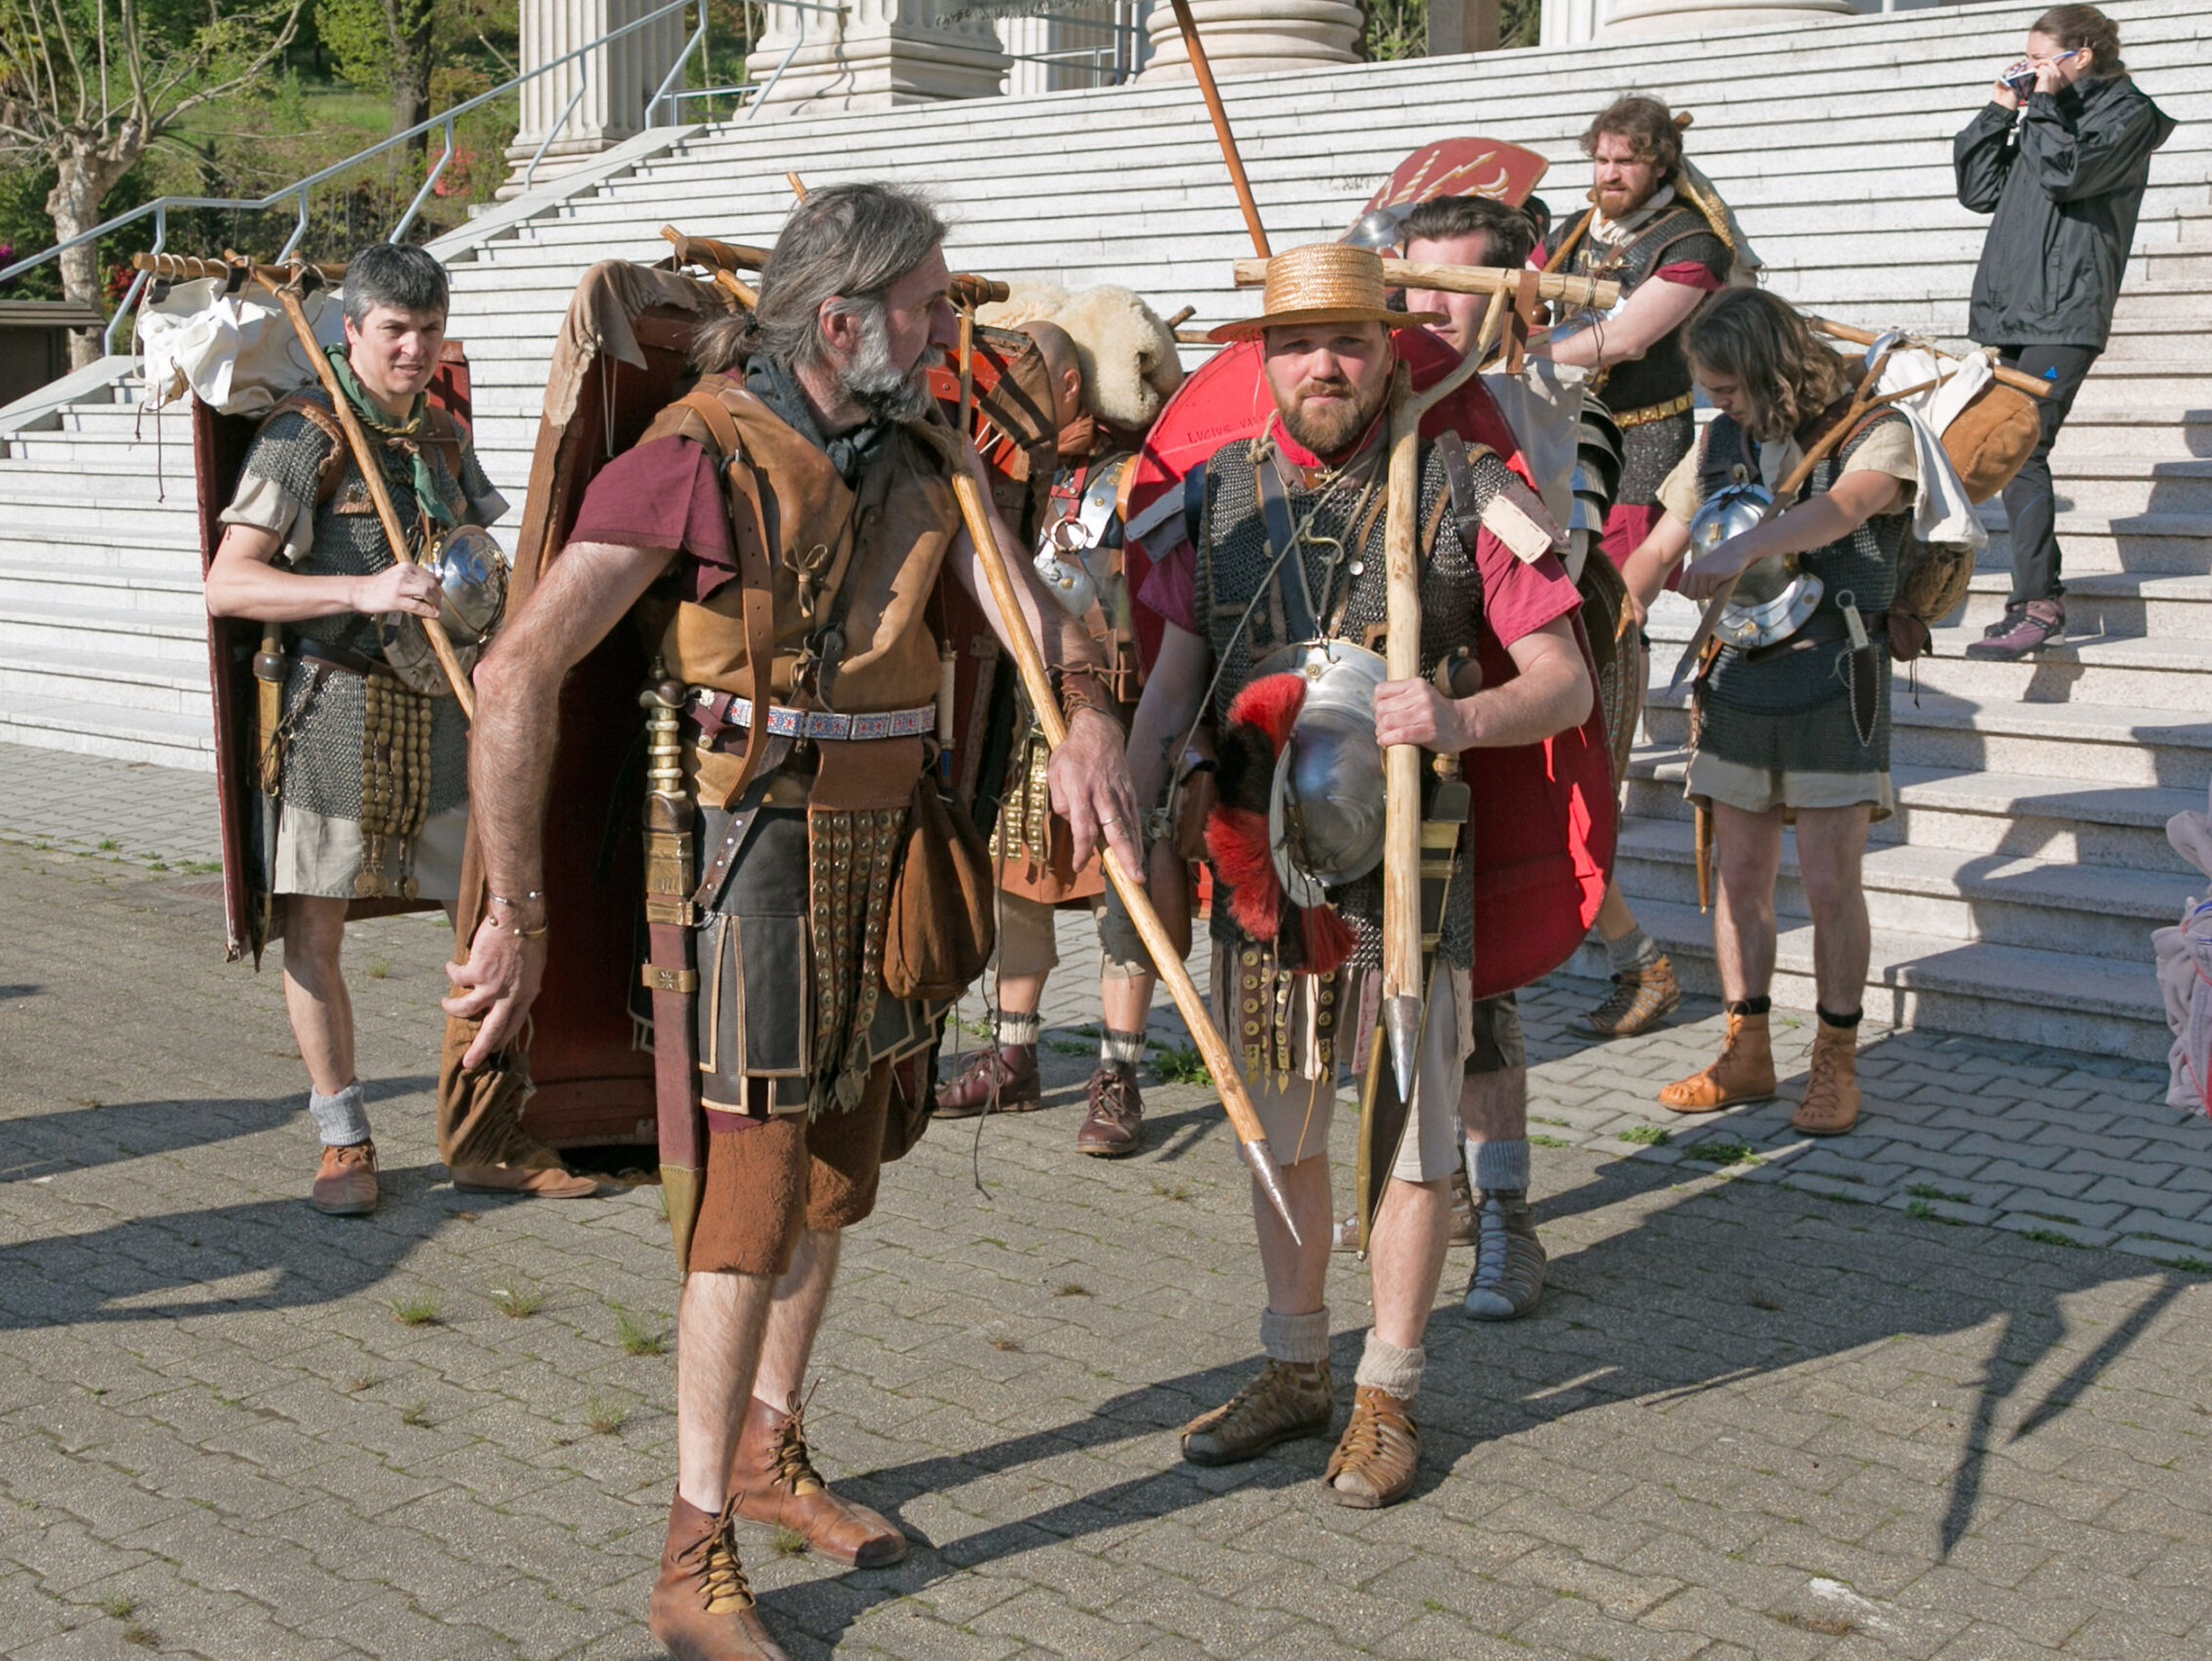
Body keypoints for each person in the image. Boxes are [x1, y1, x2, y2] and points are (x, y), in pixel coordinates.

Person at [445, 184, 1142, 1661]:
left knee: (837, 1171)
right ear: (840, 320)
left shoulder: (932, 461)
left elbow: (1041, 618)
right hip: (746, 852)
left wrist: (1085, 713)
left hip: (892, 850)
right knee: (750, 1197)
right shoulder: (690, 458)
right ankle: (690, 1547)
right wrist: (517, 910)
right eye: (928, 307)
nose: (950, 332)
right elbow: (516, 673)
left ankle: (769, 1448)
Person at [1125, 242, 1592, 1504]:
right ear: (1262, 359)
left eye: (1346, 339)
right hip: (1254, 845)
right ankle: (1294, 1367)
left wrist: (1458, 718)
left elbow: (1564, 681)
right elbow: (1171, 683)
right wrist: (1133, 789)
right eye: (1296, 343)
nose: (1321, 365)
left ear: (1389, 348)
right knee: (1276, 1120)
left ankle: (1388, 1387)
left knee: (1415, 1134)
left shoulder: (1465, 483)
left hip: (1413, 853)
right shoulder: (1215, 499)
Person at [202, 243, 587, 1215]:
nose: (414, 349)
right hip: (335, 707)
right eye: (395, 331)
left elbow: (482, 552)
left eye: (429, 330)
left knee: (496, 908)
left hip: (448, 707)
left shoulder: (442, 436)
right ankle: (343, 1140)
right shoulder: (306, 433)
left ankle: (486, 1130)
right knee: (315, 928)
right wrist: (360, 588)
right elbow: (228, 582)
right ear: (353, 329)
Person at [1619, 287, 1917, 1138]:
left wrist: (1747, 544)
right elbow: (1660, 545)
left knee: (1829, 884)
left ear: (1771, 368)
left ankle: (1835, 1061)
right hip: (1737, 680)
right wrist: (1617, 607)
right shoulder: (1720, 439)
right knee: (1739, 878)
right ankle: (1746, 1050)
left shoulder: (1872, 426)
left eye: (1730, 387)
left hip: (1835, 676)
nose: (1721, 403)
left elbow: (1847, 505)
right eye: (1712, 389)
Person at [935, 299, 1182, 1157]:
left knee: (1126, 884)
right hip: (1029, 702)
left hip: (1117, 704)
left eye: (1037, 387)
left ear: (1076, 386)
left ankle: (1117, 1070)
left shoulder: (1143, 471)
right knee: (1016, 873)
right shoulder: (1012, 469)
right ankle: (1014, 1054)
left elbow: (1163, 593)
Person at [1396, 192, 1577, 1320]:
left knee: (1480, 985)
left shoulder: (1526, 406)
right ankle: (1431, 1189)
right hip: (1372, 741)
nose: (1430, 309)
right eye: (1414, 284)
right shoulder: (1373, 398)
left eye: (1458, 287)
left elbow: (1556, 624)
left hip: (1493, 721)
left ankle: (1506, 1213)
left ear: (1507, 298)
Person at [1532, 93, 1738, 1041]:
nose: (1608, 174)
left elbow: (1625, 337)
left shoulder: (1691, 241)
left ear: (1658, 162)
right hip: (1556, 448)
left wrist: (1521, 358)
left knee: (1601, 641)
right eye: (1601, 158)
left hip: (1638, 465)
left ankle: (1634, 956)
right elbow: (1521, 299)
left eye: (1625, 160)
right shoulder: (1574, 229)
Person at [1956, 4, 2175, 662]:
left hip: (2067, 311)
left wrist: (2046, 107)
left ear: (2081, 55)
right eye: (2024, 60)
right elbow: (1979, 190)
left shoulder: (2128, 115)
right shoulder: (2046, 114)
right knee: (1991, 444)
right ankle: (2026, 599)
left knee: (2023, 443)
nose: (2029, 70)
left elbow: (2067, 175)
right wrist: (2000, 110)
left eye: (2039, 59)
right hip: (2013, 309)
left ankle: (2039, 604)